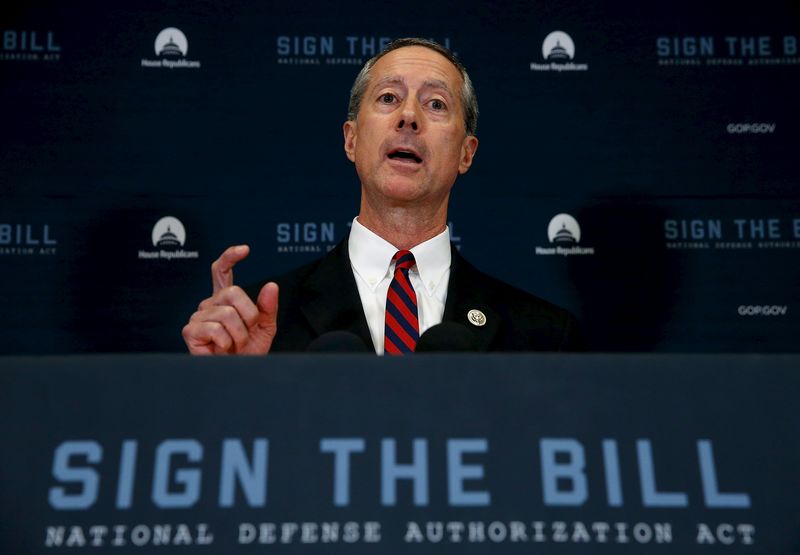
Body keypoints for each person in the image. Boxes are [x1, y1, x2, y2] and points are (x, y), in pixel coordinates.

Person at [182, 38, 581, 355]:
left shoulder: (543, 334)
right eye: (388, 98)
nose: (409, 117)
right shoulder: (254, 323)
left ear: (466, 153)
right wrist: (228, 382)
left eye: (436, 104)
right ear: (351, 139)